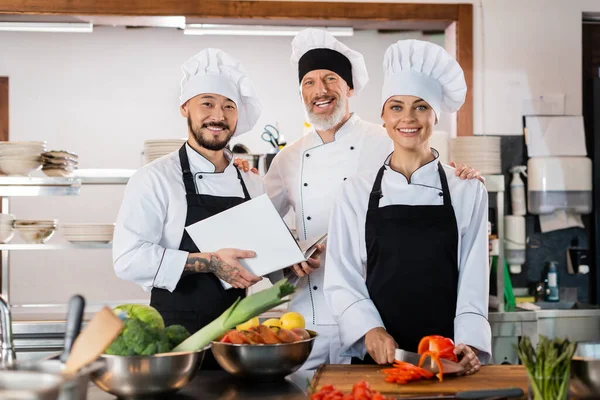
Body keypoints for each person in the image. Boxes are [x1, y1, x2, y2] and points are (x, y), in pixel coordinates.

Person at [237, 29, 485, 371]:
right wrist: (286, 254)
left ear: (350, 87)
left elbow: (425, 167)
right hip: (310, 316)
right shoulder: (288, 159)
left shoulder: (386, 138)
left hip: (391, 321)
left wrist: (463, 176)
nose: (319, 90)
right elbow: (257, 231)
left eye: (330, 79)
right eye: (308, 82)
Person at [323, 39, 492, 376]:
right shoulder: (354, 191)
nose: (408, 118)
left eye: (420, 107)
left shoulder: (466, 189)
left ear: (435, 116)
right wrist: (369, 329)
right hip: (379, 357)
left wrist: (469, 343)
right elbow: (341, 276)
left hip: (446, 354)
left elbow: (474, 277)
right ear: (383, 117)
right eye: (397, 107)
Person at [113, 48, 265, 369]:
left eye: (228, 106)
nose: (218, 116)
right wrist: (209, 262)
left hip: (236, 340)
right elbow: (127, 260)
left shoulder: (251, 182)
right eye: (206, 103)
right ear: (185, 108)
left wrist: (296, 261)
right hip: (174, 340)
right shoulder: (154, 179)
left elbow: (260, 254)